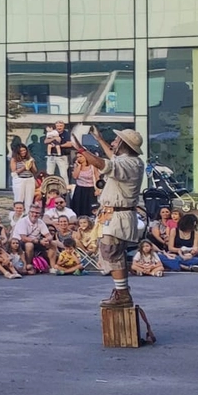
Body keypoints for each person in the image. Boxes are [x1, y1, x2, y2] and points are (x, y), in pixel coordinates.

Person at [76, 129, 146, 308]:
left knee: (112, 252)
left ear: (124, 144)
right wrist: (99, 139)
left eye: (116, 140)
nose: (113, 142)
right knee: (112, 252)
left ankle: (122, 294)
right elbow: (111, 157)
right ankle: (121, 291)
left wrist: (82, 150)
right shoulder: (129, 161)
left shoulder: (129, 164)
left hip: (118, 215)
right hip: (114, 214)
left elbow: (103, 164)